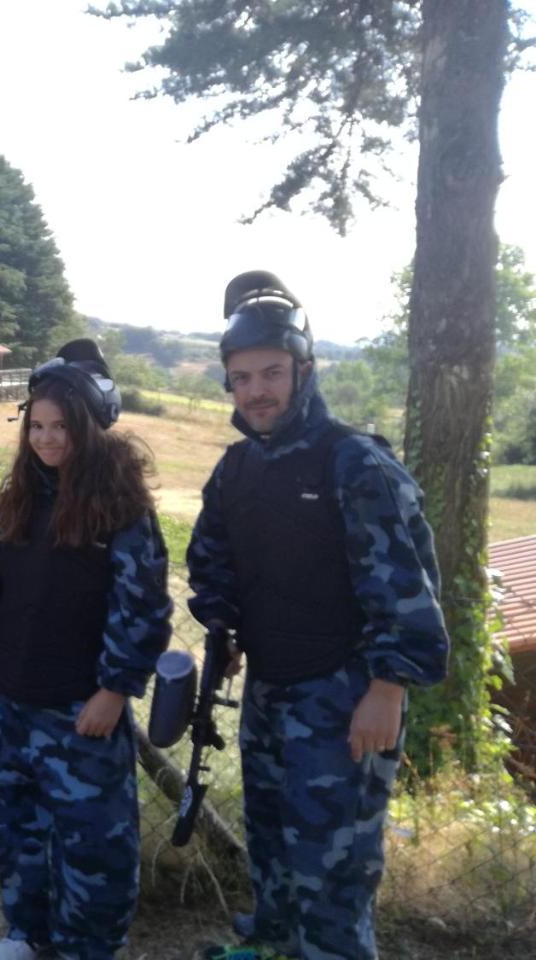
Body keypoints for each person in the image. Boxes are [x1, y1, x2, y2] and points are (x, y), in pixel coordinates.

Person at [187, 272, 449, 960]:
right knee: (272, 854)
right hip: (271, 694)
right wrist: (226, 628)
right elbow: (210, 563)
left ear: (303, 369)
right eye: (242, 378)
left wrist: (388, 689)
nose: (257, 391)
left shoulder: (355, 465)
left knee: (333, 879)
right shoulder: (237, 471)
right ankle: (273, 947)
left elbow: (408, 589)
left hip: (345, 697)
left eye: (271, 373)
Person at [0, 340, 172, 960]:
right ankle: (28, 934)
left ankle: (87, 949)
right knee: (17, 835)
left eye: (61, 426)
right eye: (37, 426)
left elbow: (142, 608)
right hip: (12, 703)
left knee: (93, 852)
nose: (47, 439)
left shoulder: (120, 508)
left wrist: (114, 690)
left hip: (81, 712)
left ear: (89, 427)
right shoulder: (17, 498)